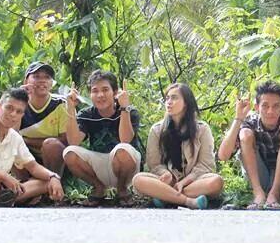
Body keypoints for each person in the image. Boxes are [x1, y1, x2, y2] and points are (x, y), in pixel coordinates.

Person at [218, 81, 280, 210]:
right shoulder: (249, 123)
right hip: (260, 178)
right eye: (265, 106)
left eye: (275, 106)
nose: (270, 111)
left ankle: (275, 193)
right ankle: (258, 193)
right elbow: (223, 155)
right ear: (257, 107)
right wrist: (238, 118)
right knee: (245, 133)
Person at [132, 83, 224, 210]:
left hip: (193, 182)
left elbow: (206, 165)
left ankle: (166, 197)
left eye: (174, 98)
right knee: (138, 180)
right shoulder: (157, 130)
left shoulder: (202, 129)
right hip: (167, 182)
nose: (169, 102)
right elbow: (154, 164)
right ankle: (189, 201)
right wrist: (165, 173)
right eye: (167, 98)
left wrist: (184, 182)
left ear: (186, 102)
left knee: (216, 182)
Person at [63, 70, 142, 207]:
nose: (100, 95)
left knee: (122, 149)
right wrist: (70, 108)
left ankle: (122, 190)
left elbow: (126, 140)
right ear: (90, 94)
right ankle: (98, 189)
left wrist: (124, 108)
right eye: (95, 91)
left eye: (105, 90)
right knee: (69, 152)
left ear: (115, 92)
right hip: (100, 166)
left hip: (126, 164)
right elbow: (73, 141)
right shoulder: (86, 114)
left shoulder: (130, 111)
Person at [18, 61, 68, 175]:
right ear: (26, 81)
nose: (42, 80)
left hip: (55, 159)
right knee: (12, 146)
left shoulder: (61, 104)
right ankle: (24, 186)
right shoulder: (17, 103)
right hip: (27, 157)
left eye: (47, 77)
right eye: (36, 77)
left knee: (51, 145)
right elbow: (9, 134)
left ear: (52, 83)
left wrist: (26, 141)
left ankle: (53, 182)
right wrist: (19, 99)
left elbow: (66, 140)